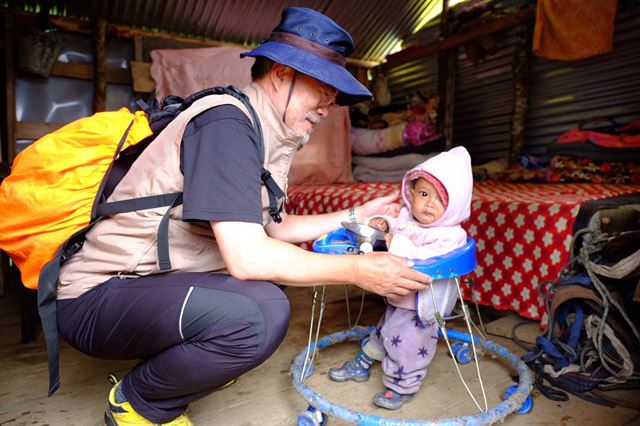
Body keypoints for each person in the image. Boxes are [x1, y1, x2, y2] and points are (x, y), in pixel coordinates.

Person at [52, 7, 431, 426]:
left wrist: (357, 212)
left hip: (144, 285)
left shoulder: (261, 131)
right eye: (322, 87)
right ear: (281, 74)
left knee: (260, 292)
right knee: (259, 312)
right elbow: (248, 256)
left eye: (334, 94)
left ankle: (191, 362)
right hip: (98, 295)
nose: (329, 105)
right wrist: (357, 269)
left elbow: (274, 229)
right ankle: (139, 403)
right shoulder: (226, 123)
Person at [328, 146, 473, 410]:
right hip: (398, 296)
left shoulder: (450, 235)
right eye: (424, 193)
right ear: (412, 193)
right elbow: (394, 224)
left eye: (441, 199)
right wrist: (382, 223)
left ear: (455, 206)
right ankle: (365, 360)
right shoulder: (409, 216)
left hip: (422, 304)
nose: (429, 203)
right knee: (385, 331)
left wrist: (400, 246)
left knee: (408, 345)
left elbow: (428, 260)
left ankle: (403, 384)